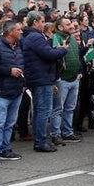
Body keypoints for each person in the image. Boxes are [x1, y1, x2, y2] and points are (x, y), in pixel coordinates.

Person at [21, 10, 67, 153]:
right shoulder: (35, 37)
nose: (43, 24)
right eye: (41, 21)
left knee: (39, 111)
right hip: (41, 78)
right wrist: (62, 50)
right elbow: (47, 54)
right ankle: (40, 141)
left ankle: (39, 140)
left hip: (39, 77)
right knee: (43, 110)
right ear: (35, 22)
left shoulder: (32, 36)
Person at [0, 19, 25, 165]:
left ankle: (5, 149)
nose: (21, 32)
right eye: (18, 29)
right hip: (0, 92)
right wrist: (9, 71)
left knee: (10, 123)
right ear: (10, 32)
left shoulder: (19, 46)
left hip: (16, 90)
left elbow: (22, 64)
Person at [50, 17, 83, 144]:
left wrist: (79, 71)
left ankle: (67, 132)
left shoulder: (72, 38)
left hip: (74, 78)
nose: (72, 26)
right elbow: (54, 58)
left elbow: (78, 56)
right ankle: (55, 134)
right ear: (60, 27)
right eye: (68, 24)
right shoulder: (55, 39)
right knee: (58, 109)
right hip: (62, 79)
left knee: (69, 108)